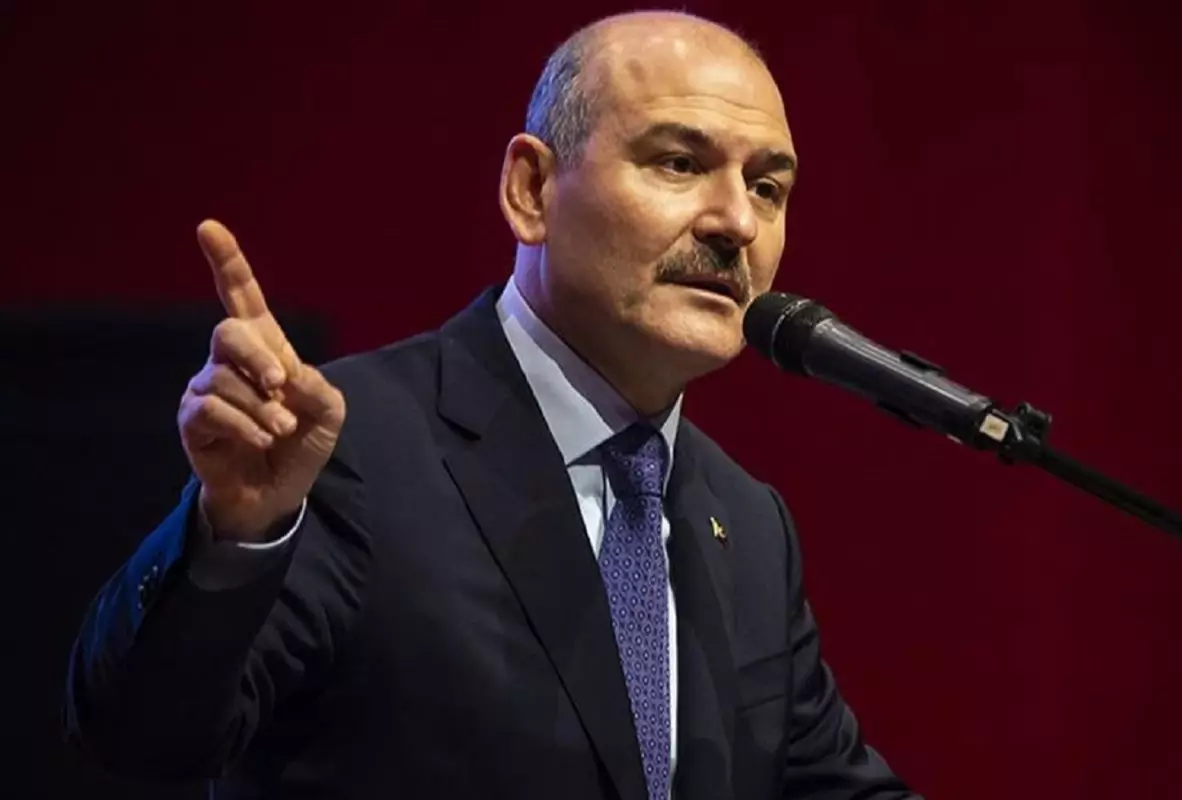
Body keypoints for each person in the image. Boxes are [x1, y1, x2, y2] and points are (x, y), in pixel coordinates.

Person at [63, 10, 922, 800]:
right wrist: (238, 539)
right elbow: (141, 739)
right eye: (680, 163)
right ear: (531, 189)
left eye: (768, 187)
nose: (737, 221)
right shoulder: (347, 450)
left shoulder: (748, 524)